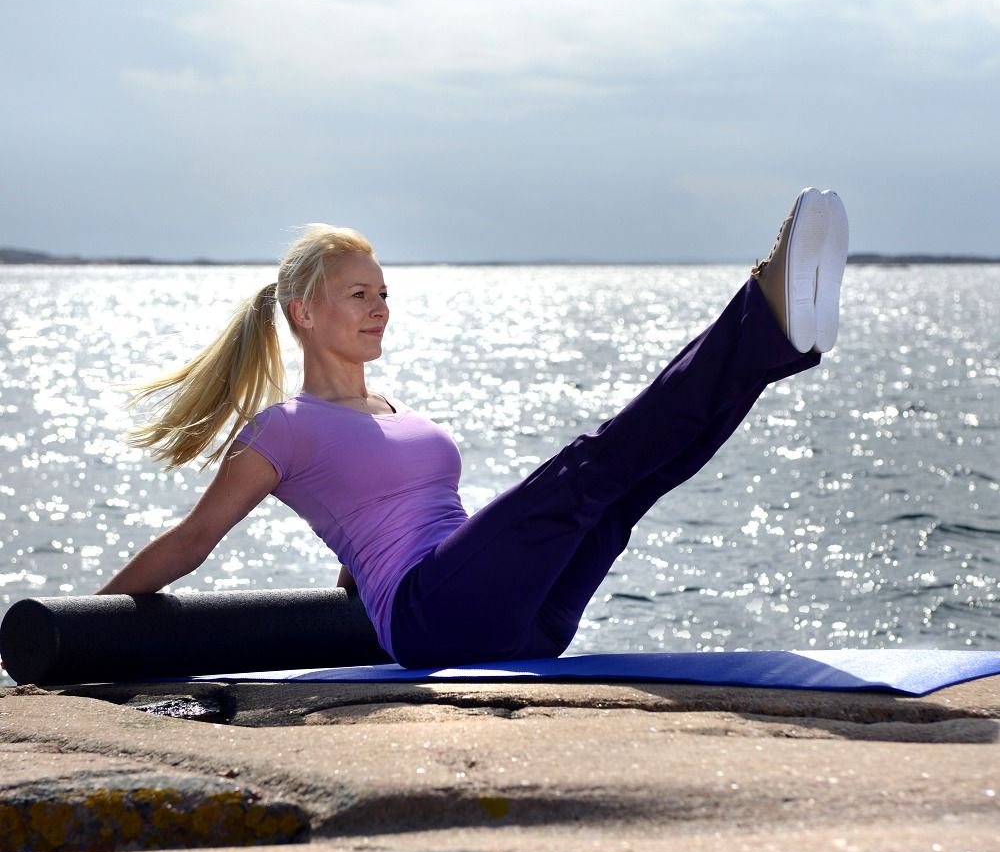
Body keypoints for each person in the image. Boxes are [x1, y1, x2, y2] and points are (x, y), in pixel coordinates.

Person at [97, 187, 849, 668]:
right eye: (358, 294)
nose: (379, 307)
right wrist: (83, 627)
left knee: (626, 491)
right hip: (436, 619)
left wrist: (357, 567)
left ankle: (776, 345)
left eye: (383, 293)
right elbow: (192, 542)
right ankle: (763, 310)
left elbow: (373, 516)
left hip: (524, 625)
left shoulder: (395, 412)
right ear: (304, 313)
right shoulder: (281, 429)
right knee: (586, 469)